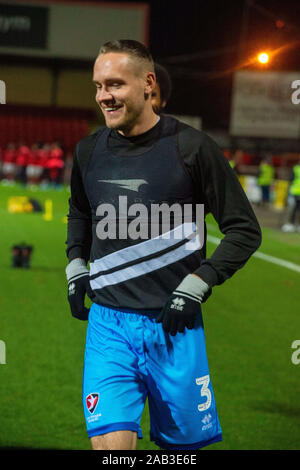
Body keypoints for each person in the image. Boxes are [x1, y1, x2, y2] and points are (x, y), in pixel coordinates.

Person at [65, 39, 262, 451]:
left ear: (148, 84)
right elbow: (80, 212)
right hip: (108, 326)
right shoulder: (88, 151)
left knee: (182, 451)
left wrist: (198, 284)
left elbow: (243, 230)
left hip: (174, 329)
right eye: (99, 86)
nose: (104, 95)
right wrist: (75, 265)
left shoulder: (193, 148)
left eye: (115, 84)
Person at [282, 159, 300, 232]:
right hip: (294, 192)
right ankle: (291, 224)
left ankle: (293, 225)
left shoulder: (295, 168)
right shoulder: (295, 168)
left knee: (294, 209)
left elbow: (290, 179)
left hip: (294, 191)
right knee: (293, 209)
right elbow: (291, 179)